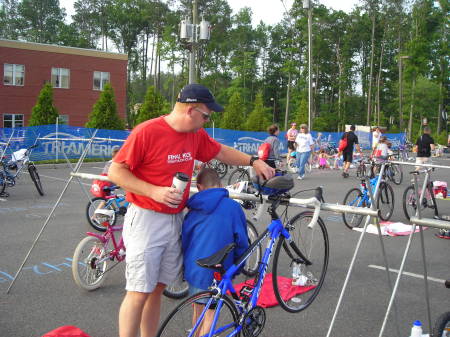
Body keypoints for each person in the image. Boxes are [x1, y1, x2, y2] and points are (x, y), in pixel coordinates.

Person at [108, 83, 274, 337]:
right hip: (146, 218)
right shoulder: (148, 131)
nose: (207, 122)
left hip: (174, 218)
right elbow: (116, 171)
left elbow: (221, 152)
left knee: (156, 289)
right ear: (190, 110)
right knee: (138, 291)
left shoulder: (195, 135)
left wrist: (254, 161)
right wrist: (153, 191)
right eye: (206, 116)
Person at [182, 167, 248, 335]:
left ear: (199, 187)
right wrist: (237, 268)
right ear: (220, 184)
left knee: (198, 310)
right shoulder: (233, 208)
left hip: (195, 269)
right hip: (218, 270)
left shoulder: (192, 209)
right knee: (211, 314)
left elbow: (185, 239)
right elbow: (242, 243)